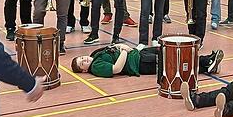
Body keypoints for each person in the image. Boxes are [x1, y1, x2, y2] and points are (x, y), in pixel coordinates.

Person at [71, 44, 224, 79]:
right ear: (84, 70)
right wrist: (125, 51)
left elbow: (113, 46)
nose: (85, 59)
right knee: (171, 63)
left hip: (139, 53)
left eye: (82, 57)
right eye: (82, 63)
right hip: (139, 64)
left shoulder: (95, 54)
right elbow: (116, 68)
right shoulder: (97, 67)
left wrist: (121, 46)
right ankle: (205, 65)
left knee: (167, 50)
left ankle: (206, 62)